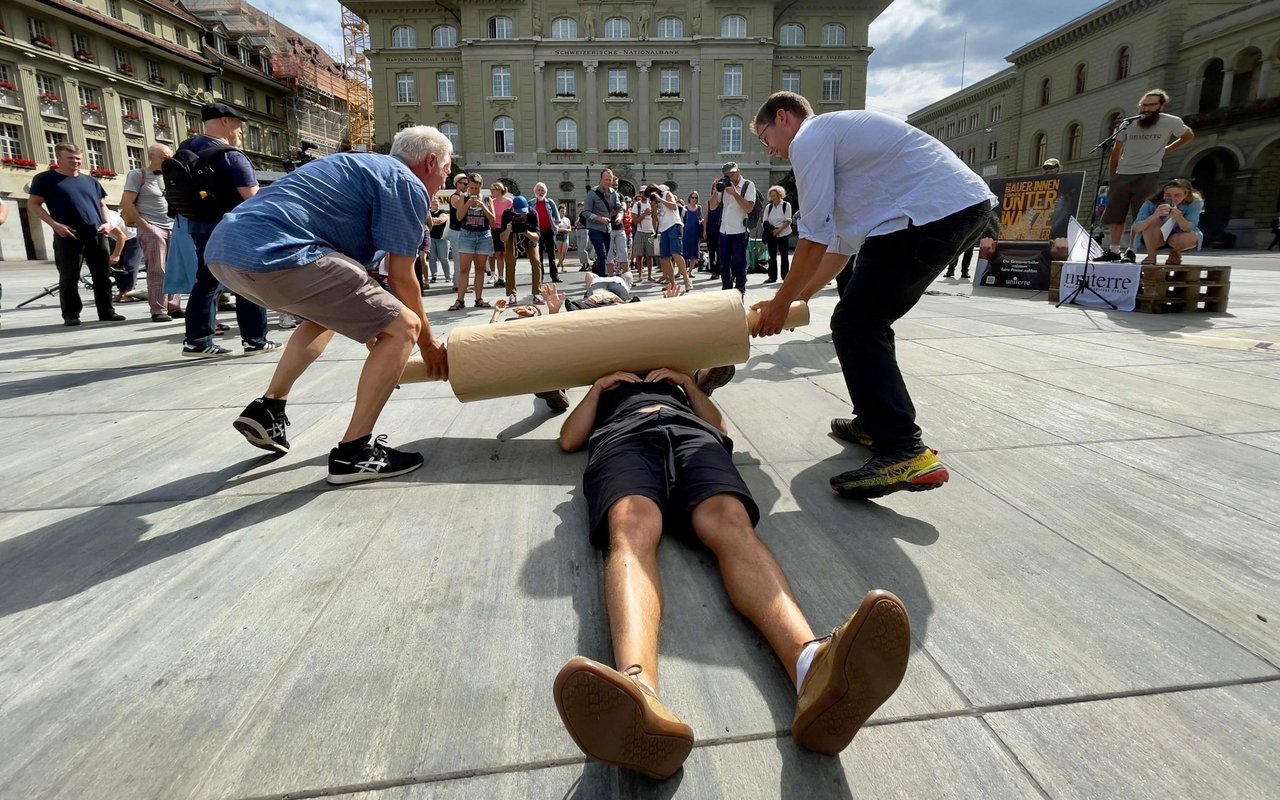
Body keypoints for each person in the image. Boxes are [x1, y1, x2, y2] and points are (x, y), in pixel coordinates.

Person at [552, 367, 911, 780]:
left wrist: (688, 384)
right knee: (631, 528)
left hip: (693, 436)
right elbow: (568, 439)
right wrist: (598, 387)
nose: (599, 295)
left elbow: (720, 427)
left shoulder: (674, 363)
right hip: (623, 438)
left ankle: (813, 669)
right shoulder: (602, 366)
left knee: (730, 522)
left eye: (606, 293)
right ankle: (640, 694)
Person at [751, 91, 997, 498]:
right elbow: (838, 248)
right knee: (866, 321)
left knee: (855, 324)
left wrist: (780, 303)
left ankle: (903, 450)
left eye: (765, 137)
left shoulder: (810, 138)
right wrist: (800, 299)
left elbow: (811, 239)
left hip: (929, 215)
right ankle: (876, 420)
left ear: (783, 117)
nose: (770, 151)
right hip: (952, 210)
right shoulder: (842, 150)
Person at [204, 125, 452, 484]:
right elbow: (402, 276)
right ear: (430, 161)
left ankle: (270, 407)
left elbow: (360, 287)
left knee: (325, 318)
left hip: (225, 253)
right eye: (446, 171)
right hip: (280, 254)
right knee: (406, 329)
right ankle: (354, 453)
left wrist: (375, 331)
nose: (443, 180)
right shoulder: (407, 182)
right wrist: (428, 346)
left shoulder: (356, 167)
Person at [176, 103, 274, 357]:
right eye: (238, 124)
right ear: (225, 121)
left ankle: (197, 341)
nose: (240, 130)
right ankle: (255, 340)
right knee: (249, 281)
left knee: (207, 282)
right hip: (233, 230)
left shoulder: (187, 149)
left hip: (198, 226)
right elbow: (252, 199)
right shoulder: (230, 155)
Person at [27, 143, 124, 326]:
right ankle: (71, 314)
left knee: (102, 275)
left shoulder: (91, 181)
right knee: (69, 276)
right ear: (59, 159)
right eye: (70, 158)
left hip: (96, 233)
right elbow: (33, 204)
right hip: (68, 235)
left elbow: (102, 204)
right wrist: (55, 225)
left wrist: (108, 223)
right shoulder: (45, 179)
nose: (75, 162)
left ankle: (107, 311)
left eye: (78, 158)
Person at [1098, 89, 1195, 262]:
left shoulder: (1171, 121)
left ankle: (1131, 250)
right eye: (1144, 105)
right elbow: (1116, 150)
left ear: (1160, 105)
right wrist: (1113, 176)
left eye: (1152, 105)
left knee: (1140, 214)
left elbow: (1188, 135)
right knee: (1116, 214)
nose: (1147, 108)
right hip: (1124, 173)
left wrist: (1167, 149)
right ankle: (1113, 249)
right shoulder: (1128, 123)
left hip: (1148, 173)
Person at [122, 143, 183, 322]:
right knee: (158, 269)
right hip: (152, 225)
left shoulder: (172, 176)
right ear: (152, 157)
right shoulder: (138, 175)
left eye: (171, 157)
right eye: (164, 157)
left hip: (173, 225)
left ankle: (173, 306)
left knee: (176, 268)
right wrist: (144, 225)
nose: (169, 161)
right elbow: (127, 203)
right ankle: (158, 309)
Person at [707, 162, 757, 294]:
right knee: (723, 265)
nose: (730, 176)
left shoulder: (748, 185)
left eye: (732, 173)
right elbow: (712, 207)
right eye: (727, 174)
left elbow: (749, 208)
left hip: (739, 231)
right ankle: (726, 291)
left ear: (738, 172)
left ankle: (740, 291)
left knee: (739, 264)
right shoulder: (722, 185)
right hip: (724, 230)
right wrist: (715, 192)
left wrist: (735, 193)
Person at [1131, 178, 1203, 266]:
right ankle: (1151, 255)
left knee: (1190, 237)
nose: (1172, 198)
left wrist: (1179, 217)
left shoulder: (1194, 203)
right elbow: (1137, 227)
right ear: (1163, 194)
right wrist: (1155, 215)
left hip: (1177, 236)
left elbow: (1189, 227)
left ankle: (1175, 252)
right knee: (1153, 221)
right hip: (1153, 237)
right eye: (1168, 195)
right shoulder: (1151, 203)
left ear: (1185, 194)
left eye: (1177, 195)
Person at [451, 172, 495, 310]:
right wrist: (468, 202)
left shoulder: (487, 199)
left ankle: (478, 298)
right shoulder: (463, 198)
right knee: (464, 269)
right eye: (471, 188)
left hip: (483, 235)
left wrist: (483, 206)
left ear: (481, 186)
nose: (474, 191)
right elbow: (459, 217)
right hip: (467, 235)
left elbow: (493, 219)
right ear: (468, 187)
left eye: (476, 188)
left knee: (480, 269)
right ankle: (460, 300)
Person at [500, 195, 543, 300]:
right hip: (512, 238)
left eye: (524, 212)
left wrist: (526, 232)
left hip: (529, 238)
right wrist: (508, 230)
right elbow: (502, 238)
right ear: (513, 209)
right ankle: (511, 293)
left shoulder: (532, 213)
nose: (521, 215)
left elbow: (537, 237)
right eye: (519, 213)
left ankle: (537, 292)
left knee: (536, 261)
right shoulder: (507, 214)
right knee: (510, 262)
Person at [584, 168, 622, 277]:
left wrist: (619, 216)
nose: (608, 182)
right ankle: (604, 276)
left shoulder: (613, 193)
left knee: (606, 254)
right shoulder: (592, 193)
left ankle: (599, 275)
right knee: (602, 253)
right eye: (606, 180)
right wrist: (598, 218)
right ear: (600, 179)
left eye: (610, 180)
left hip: (607, 229)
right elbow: (586, 212)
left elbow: (619, 208)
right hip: (595, 228)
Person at [653, 184, 691, 293]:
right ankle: (672, 283)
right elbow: (655, 218)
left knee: (676, 254)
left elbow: (674, 206)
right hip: (664, 229)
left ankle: (686, 280)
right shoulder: (657, 202)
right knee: (665, 258)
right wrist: (654, 205)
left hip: (674, 226)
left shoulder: (667, 194)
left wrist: (660, 199)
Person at [105, 208, 141, 304]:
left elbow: (122, 237)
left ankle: (127, 292)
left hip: (132, 236)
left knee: (130, 264)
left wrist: (116, 254)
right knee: (117, 266)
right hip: (117, 238)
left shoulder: (107, 218)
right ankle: (121, 291)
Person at [531, 183, 562, 284]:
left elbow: (556, 216)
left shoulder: (550, 202)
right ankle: (540, 277)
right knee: (538, 256)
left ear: (545, 192)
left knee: (551, 255)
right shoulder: (531, 203)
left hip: (549, 231)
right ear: (535, 191)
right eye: (538, 190)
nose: (540, 192)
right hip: (537, 233)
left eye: (542, 190)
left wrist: (556, 227)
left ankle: (554, 276)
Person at [762, 185, 793, 284]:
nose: (773, 197)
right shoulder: (769, 207)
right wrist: (771, 231)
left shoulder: (786, 205)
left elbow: (788, 220)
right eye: (771, 196)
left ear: (780, 195)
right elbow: (765, 221)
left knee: (784, 256)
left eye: (775, 195)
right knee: (772, 256)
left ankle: (785, 277)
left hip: (783, 233)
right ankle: (772, 276)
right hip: (772, 234)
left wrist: (779, 230)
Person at [445, 172, 468, 288]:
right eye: (464, 183)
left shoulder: (462, 196)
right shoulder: (455, 197)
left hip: (461, 231)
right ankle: (458, 283)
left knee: (462, 258)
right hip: (456, 231)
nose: (466, 185)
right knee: (458, 258)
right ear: (458, 184)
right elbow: (461, 209)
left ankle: (459, 282)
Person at [489, 182, 513, 288]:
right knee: (498, 254)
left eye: (493, 189)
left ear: (499, 190)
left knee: (507, 254)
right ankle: (500, 277)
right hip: (495, 230)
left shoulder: (509, 202)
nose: (491, 191)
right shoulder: (491, 202)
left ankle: (509, 277)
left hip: (506, 230)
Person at [631, 189, 656, 281]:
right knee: (639, 255)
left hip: (650, 232)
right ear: (640, 194)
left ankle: (650, 275)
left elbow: (655, 217)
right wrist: (644, 214)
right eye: (642, 193)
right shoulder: (637, 205)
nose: (644, 195)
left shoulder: (652, 204)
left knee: (650, 255)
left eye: (646, 193)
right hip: (640, 232)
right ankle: (640, 275)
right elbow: (635, 221)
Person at [427, 195, 452, 286]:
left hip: (442, 239)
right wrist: (433, 221)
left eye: (437, 202)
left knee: (444, 258)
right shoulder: (428, 212)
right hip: (431, 238)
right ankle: (434, 276)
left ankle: (448, 276)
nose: (436, 204)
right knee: (432, 258)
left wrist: (429, 220)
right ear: (430, 204)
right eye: (434, 202)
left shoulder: (442, 211)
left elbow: (441, 220)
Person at [682, 192, 703, 271]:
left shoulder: (699, 208)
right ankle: (682, 271)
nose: (694, 199)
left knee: (694, 253)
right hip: (686, 232)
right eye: (692, 197)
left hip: (695, 232)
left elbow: (700, 219)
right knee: (684, 252)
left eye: (696, 198)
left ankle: (690, 271)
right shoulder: (685, 208)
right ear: (689, 198)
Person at [574, 201, 592, 271]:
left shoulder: (586, 214)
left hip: (584, 230)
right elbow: (576, 223)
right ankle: (583, 264)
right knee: (579, 250)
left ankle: (587, 263)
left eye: (582, 206)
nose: (580, 207)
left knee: (582, 249)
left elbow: (585, 223)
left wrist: (579, 223)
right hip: (579, 231)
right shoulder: (580, 214)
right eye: (579, 206)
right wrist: (577, 224)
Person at [555, 203, 572, 273]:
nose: (563, 212)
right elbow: (557, 229)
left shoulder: (567, 219)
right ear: (558, 211)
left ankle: (558, 263)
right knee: (560, 252)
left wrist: (565, 230)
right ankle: (562, 267)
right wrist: (565, 229)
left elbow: (570, 229)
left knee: (564, 252)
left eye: (564, 210)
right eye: (561, 210)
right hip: (559, 236)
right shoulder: (557, 219)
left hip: (566, 235)